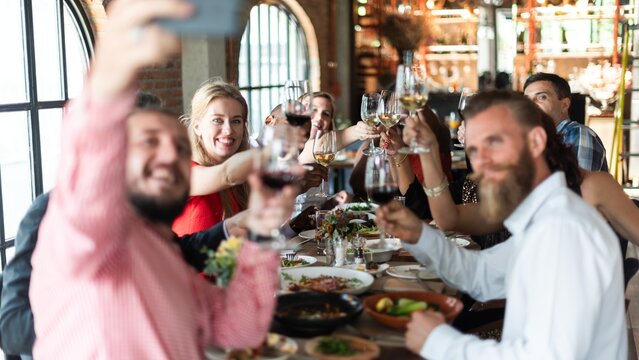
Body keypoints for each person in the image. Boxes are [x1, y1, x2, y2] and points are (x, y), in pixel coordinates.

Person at [29, 1, 292, 357]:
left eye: (176, 146)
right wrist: (118, 58)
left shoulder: (166, 253)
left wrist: (260, 233)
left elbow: (239, 329)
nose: (170, 155)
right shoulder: (86, 236)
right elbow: (90, 152)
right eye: (150, 142)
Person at [379, 91, 626, 359]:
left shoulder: (563, 227)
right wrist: (418, 235)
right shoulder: (546, 215)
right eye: (474, 150)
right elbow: (480, 274)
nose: (482, 161)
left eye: (494, 142)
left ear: (535, 142)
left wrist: (438, 342)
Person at [172, 78, 254, 236]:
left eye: (236, 121)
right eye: (217, 120)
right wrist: (274, 151)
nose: (228, 130)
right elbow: (226, 175)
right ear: (197, 127)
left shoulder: (240, 181)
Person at [524, 72, 608, 171]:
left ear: (564, 104)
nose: (532, 104)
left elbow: (576, 184)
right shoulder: (532, 139)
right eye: (527, 100)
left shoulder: (578, 134)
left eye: (542, 97)